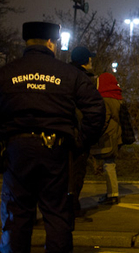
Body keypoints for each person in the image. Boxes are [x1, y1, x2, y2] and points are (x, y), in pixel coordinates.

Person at [0, 21, 105, 252]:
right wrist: (80, 142)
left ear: (26, 42)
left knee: (16, 217)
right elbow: (96, 109)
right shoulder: (68, 74)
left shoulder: (7, 73)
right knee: (57, 216)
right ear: (51, 42)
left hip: (17, 150)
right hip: (55, 150)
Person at [69, 45, 97, 222]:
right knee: (75, 175)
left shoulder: (64, 75)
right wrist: (87, 136)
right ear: (85, 61)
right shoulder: (85, 80)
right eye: (90, 59)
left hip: (67, 133)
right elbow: (93, 111)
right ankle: (71, 209)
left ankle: (72, 207)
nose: (92, 61)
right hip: (77, 134)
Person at [91, 72, 125, 204]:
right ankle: (112, 193)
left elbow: (103, 119)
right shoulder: (117, 98)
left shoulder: (105, 99)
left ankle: (112, 194)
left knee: (108, 165)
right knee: (110, 164)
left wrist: (95, 131)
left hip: (108, 136)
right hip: (117, 136)